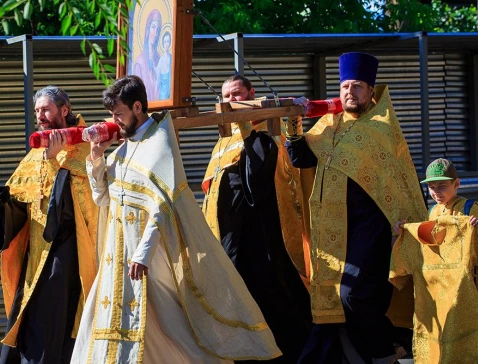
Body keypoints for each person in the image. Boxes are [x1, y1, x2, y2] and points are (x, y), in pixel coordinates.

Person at [71, 75, 280, 363]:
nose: (114, 121)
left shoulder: (160, 144)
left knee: (171, 324)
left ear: (137, 107)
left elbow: (162, 205)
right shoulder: (121, 151)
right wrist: (95, 159)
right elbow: (103, 199)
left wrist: (143, 255)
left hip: (149, 259)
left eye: (118, 113)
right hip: (116, 260)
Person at [285, 52, 427, 363]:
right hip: (333, 231)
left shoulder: (380, 127)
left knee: (355, 296)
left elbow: (399, 182)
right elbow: (301, 159)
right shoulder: (329, 124)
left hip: (372, 228)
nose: (351, 91)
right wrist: (292, 121)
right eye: (346, 85)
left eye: (358, 86)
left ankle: (384, 353)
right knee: (337, 298)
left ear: (371, 91)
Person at [0, 86, 98, 363]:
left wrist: (54, 162)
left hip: (68, 249)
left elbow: (80, 203)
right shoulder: (37, 151)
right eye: (37, 111)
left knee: (55, 314)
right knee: (28, 312)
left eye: (46, 109)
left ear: (64, 110)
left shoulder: (86, 146)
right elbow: (19, 195)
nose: (40, 115)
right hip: (35, 251)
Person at [202, 75, 312, 363]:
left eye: (236, 93)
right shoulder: (225, 140)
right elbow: (211, 189)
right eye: (225, 95)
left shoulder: (268, 130)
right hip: (229, 232)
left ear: (252, 94)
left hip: (261, 231)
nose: (230, 101)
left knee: (270, 290)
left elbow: (262, 183)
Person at [391, 158, 478, 364]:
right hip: (444, 287)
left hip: (468, 285)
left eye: (443, 186)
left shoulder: (469, 208)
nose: (437, 192)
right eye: (432, 187)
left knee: (474, 332)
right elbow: (431, 243)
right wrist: (406, 232)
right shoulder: (433, 212)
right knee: (447, 330)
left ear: (456, 184)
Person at [132, 9, 161, 101]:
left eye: (158, 29)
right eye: (153, 27)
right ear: (147, 29)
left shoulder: (159, 58)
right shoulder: (140, 63)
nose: (155, 33)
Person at [155, 31, 172, 100]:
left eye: (168, 41)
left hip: (170, 89)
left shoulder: (171, 58)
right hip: (162, 91)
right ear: (162, 43)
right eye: (165, 42)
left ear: (170, 43)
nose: (166, 44)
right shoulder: (161, 59)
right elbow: (158, 73)